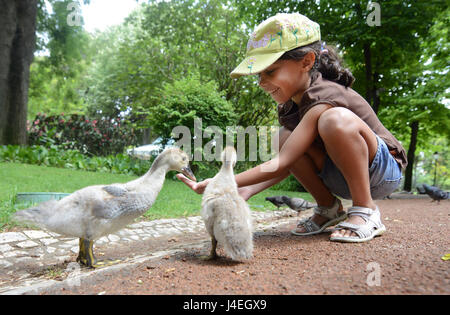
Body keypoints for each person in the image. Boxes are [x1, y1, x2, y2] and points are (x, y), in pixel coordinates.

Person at [177, 13, 407, 243]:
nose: (261, 83)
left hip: (381, 171)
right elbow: (288, 162)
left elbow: (283, 162)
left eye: (270, 71)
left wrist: (223, 181)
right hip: (338, 174)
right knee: (284, 138)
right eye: (259, 74)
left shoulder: (325, 93)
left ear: (306, 61)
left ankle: (366, 209)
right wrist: (247, 190)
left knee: (334, 120)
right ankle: (329, 208)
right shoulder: (290, 105)